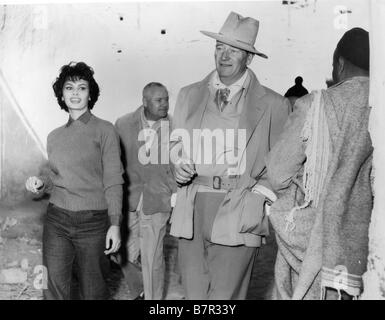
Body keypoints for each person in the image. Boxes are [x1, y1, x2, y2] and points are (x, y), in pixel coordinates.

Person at [169, 11, 291, 299]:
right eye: (220, 48)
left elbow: (285, 164)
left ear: (248, 58)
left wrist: (260, 195)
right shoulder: (188, 95)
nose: (224, 56)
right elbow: (175, 142)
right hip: (191, 207)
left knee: (224, 299)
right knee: (194, 298)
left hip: (239, 207)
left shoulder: (274, 104)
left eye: (234, 50)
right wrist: (176, 163)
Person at [266, 27, 372, 300]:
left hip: (320, 245)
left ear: (340, 64)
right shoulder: (379, 103)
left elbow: (278, 173)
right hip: (370, 243)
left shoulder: (315, 105)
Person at [25, 62, 124, 300]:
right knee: (54, 289)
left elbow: (113, 179)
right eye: (69, 88)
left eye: (82, 87)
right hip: (57, 219)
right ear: (62, 94)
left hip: (93, 222)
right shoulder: (54, 136)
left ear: (91, 94)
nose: (75, 93)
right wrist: (40, 181)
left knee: (94, 291)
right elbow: (54, 176)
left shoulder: (105, 130)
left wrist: (115, 223)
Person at [115, 82, 177, 300]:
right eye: (159, 100)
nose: (165, 104)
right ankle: (141, 287)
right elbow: (116, 162)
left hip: (158, 200)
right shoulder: (123, 124)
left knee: (152, 258)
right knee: (117, 251)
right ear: (144, 101)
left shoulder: (176, 126)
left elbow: (178, 163)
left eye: (167, 99)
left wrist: (174, 193)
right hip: (128, 198)